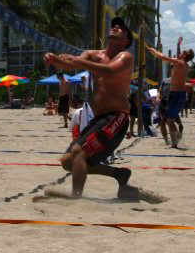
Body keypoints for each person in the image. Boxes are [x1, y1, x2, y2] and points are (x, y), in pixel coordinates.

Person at [44, 16, 134, 198]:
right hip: (99, 118)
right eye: (114, 25)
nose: (115, 27)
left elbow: (109, 71)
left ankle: (76, 197)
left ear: (126, 41)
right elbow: (69, 63)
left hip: (117, 117)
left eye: (121, 27)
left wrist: (78, 62)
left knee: (78, 152)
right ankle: (118, 174)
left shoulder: (126, 56)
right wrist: (54, 60)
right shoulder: (93, 55)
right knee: (68, 161)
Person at [148, 45, 194, 147]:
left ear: (185, 55)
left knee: (169, 121)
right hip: (177, 95)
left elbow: (163, 57)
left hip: (176, 95)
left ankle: (175, 140)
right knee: (169, 121)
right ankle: (175, 141)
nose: (180, 52)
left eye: (183, 52)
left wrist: (153, 51)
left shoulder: (179, 63)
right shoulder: (185, 65)